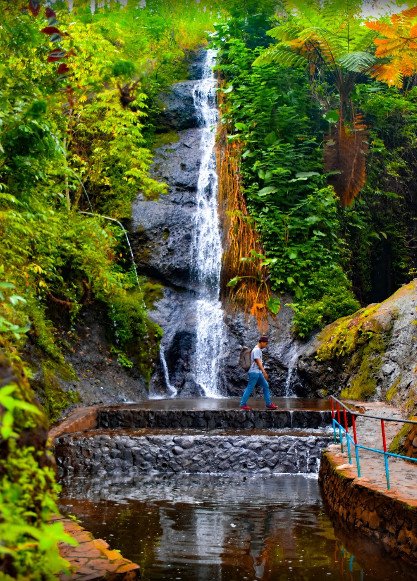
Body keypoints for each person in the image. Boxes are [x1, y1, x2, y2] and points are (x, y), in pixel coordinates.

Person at [240, 336, 278, 410]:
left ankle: (268, 404)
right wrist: (264, 372)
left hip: (258, 372)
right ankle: (242, 404)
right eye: (266, 343)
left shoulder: (257, 349)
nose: (266, 345)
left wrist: (261, 372)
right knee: (250, 388)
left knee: (265, 385)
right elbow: (258, 362)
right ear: (262, 342)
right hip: (254, 372)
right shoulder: (257, 350)